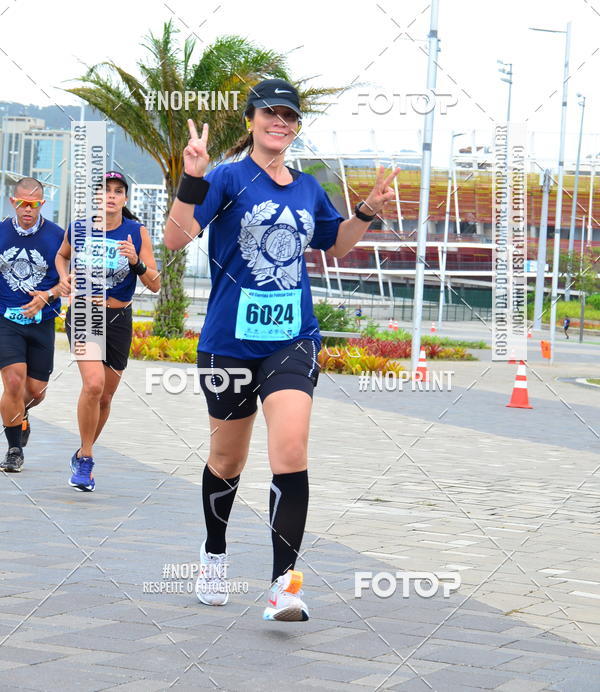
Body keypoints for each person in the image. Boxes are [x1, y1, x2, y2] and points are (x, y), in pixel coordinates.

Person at [164, 79, 399, 621]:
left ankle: (283, 585)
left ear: (295, 126)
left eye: (289, 116)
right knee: (228, 459)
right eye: (270, 112)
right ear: (251, 120)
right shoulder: (225, 177)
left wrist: (363, 212)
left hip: (293, 339)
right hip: (229, 343)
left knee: (290, 450)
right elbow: (176, 239)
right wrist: (191, 179)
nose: (280, 122)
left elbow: (333, 243)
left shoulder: (308, 187)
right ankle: (215, 554)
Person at [55, 170, 160, 491]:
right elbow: (62, 255)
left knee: (106, 396)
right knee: (94, 385)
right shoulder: (80, 228)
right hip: (85, 313)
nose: (111, 196)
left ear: (125, 198)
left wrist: (136, 263)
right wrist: (63, 278)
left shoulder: (136, 232)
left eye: (118, 191)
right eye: (105, 191)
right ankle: (86, 458)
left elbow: (154, 284)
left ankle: (81, 451)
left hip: (118, 320)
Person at [0, 178, 67, 473]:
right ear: (14, 202)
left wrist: (48, 295)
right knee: (13, 381)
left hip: (43, 321)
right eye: (23, 203)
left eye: (35, 204)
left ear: (43, 204)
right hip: (6, 320)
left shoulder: (57, 236)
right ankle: (14, 449)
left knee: (36, 391)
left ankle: (19, 413)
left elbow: (71, 277)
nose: (29, 209)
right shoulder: (0, 232)